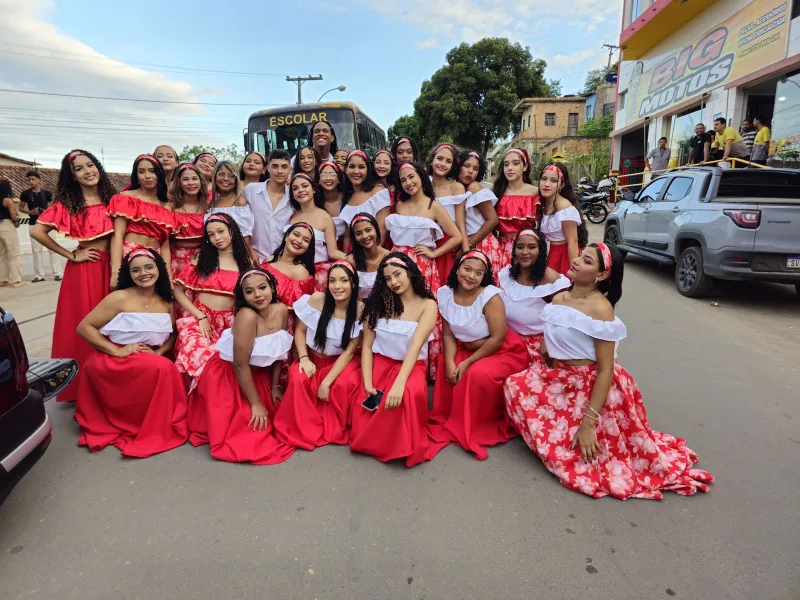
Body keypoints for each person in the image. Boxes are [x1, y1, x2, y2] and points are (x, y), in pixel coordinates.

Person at [503, 243, 714, 500]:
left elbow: (605, 370)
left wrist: (589, 423)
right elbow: (551, 334)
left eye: (587, 261)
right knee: (515, 385)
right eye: (580, 255)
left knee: (580, 455)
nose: (577, 260)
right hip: (562, 377)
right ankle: (552, 436)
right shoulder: (560, 297)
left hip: (592, 384)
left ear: (601, 276)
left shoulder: (600, 309)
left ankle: (576, 434)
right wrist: (547, 351)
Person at [75, 248, 187, 457]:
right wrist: (116, 351)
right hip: (113, 359)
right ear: (129, 274)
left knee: (163, 365)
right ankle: (151, 425)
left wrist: (159, 352)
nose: (143, 273)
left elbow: (172, 335)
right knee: (165, 369)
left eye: (148, 267)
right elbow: (84, 327)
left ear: (159, 269)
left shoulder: (166, 301)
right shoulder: (118, 297)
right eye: (136, 270)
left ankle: (157, 421)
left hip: (147, 358)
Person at [31, 149, 116, 402]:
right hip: (86, 269)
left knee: (114, 324)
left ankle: (111, 385)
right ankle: (82, 388)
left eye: (90, 165)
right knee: (85, 325)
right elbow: (37, 232)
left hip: (114, 266)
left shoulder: (115, 199)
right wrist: (71, 255)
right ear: (73, 176)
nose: (87, 171)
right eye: (79, 168)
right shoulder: (68, 204)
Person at [429, 250, 528, 461]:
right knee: (445, 366)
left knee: (476, 374)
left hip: (502, 350)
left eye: (478, 273)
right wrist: (449, 362)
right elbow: (448, 335)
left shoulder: (489, 296)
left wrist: (467, 362)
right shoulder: (446, 295)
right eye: (467, 269)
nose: (471, 276)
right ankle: (453, 420)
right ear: (457, 269)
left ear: (484, 276)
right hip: (470, 348)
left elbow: (498, 338)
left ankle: (477, 426)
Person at [190, 268, 295, 465]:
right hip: (229, 376)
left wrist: (274, 386)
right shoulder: (247, 316)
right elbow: (239, 364)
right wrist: (255, 404)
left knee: (281, 417)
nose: (257, 295)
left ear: (272, 287)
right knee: (252, 431)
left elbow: (279, 352)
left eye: (262, 287)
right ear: (243, 296)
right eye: (249, 291)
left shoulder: (280, 310)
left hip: (257, 375)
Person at [348, 253, 444, 467]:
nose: (394, 282)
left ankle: (396, 444)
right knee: (366, 398)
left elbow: (415, 346)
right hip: (380, 363)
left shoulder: (427, 305)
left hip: (411, 366)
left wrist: (400, 383)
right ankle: (378, 438)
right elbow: (368, 347)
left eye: (398, 274)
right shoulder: (378, 304)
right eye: (388, 278)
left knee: (408, 394)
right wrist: (367, 381)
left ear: (410, 272)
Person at [273, 262, 363, 450]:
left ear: (353, 283)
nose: (337, 286)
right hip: (311, 357)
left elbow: (349, 352)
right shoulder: (316, 299)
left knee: (346, 383)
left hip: (338, 361)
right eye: (332, 281)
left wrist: (326, 382)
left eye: (344, 280)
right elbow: (300, 331)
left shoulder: (360, 309)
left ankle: (334, 421)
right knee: (297, 377)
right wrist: (304, 358)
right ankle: (302, 426)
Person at [388, 161, 462, 378]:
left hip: (421, 267)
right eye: (403, 180)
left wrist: (434, 253)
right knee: (399, 312)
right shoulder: (399, 205)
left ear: (421, 176)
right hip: (396, 264)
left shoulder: (433, 206)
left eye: (412, 177)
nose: (408, 183)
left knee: (423, 314)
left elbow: (456, 236)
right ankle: (399, 360)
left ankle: (425, 367)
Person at [173, 214, 252, 392]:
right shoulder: (202, 259)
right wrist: (200, 316)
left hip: (228, 326)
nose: (217, 238)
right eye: (211, 234)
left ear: (232, 231)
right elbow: (178, 291)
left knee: (224, 365)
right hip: (198, 320)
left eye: (221, 232)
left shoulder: (245, 264)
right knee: (203, 357)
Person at [497, 229, 571, 362]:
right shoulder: (508, 274)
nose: (525, 252)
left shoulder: (551, 280)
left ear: (541, 250)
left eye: (532, 247)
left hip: (535, 348)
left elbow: (564, 321)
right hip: (506, 339)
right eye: (520, 247)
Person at [108, 154, 177, 284]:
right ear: (136, 175)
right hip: (129, 255)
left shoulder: (167, 207)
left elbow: (165, 246)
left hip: (155, 259)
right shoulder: (125, 198)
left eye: (152, 171)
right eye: (141, 172)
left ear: (159, 174)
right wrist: (115, 271)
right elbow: (117, 236)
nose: (147, 176)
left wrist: (168, 276)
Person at [286, 173, 347, 291]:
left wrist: (356, 259)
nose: (300, 190)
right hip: (292, 272)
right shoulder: (291, 216)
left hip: (317, 274)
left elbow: (333, 252)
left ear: (313, 189)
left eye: (305, 186)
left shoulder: (325, 217)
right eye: (295, 188)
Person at [455, 149, 503, 280]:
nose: (470, 171)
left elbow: (492, 220)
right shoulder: (456, 188)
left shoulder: (474, 188)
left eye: (475, 168)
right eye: (466, 166)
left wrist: (469, 244)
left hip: (482, 243)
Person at [426, 143, 468, 285]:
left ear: (453, 166)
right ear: (432, 159)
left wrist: (466, 252)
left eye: (448, 161)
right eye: (440, 158)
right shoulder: (423, 185)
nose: (442, 164)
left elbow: (460, 222)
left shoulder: (456, 187)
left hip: (449, 245)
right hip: (426, 243)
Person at [493, 148, 540, 266]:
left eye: (515, 163)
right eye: (506, 164)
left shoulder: (535, 193)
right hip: (500, 248)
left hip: (526, 250)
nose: (509, 168)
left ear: (524, 167)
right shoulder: (497, 193)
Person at [539, 162, 588, 275]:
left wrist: (574, 270)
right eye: (544, 179)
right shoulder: (543, 204)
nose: (547, 184)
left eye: (553, 181)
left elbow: (573, 241)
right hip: (553, 254)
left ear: (562, 184)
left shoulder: (564, 207)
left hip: (566, 255)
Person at [245, 149, 293, 260]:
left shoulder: (294, 197)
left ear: (290, 170)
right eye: (275, 166)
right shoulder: (250, 190)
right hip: (254, 258)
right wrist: (250, 253)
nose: (279, 171)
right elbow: (241, 225)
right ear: (268, 169)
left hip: (282, 261)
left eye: (284, 167)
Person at [208, 160, 257, 263]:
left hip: (237, 256)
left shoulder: (240, 203)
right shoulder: (211, 203)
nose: (226, 179)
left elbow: (245, 236)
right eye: (221, 174)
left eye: (231, 176)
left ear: (236, 181)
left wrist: (249, 255)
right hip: (214, 256)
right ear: (215, 177)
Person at [339, 150, 391, 249]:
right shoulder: (347, 197)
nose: (356, 171)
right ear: (346, 169)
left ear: (368, 169)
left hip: (375, 252)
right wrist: (346, 261)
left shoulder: (378, 191)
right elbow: (347, 237)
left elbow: (382, 230)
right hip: (352, 255)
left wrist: (371, 258)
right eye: (352, 167)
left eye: (361, 167)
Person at [260, 223, 316, 311]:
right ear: (286, 236)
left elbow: (301, 311)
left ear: (308, 248)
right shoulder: (270, 260)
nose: (299, 241)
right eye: (296, 235)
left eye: (306, 240)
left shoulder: (301, 273)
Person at [19, 171, 62, 282]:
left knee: (53, 249)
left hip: (47, 224)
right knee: (36, 250)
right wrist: (31, 212)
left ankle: (57, 273)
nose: (30, 182)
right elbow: (20, 208)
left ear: (39, 179)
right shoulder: (25, 194)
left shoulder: (47, 193)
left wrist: (47, 212)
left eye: (33, 179)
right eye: (28, 180)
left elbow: (52, 208)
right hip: (33, 223)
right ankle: (39, 275)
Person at [169, 163, 208, 278]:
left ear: (200, 181)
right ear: (179, 183)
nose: (191, 183)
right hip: (175, 260)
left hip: (202, 259)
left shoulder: (208, 207)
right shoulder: (170, 208)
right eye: (185, 179)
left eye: (195, 178)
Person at [346, 213, 389, 299]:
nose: (364, 236)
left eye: (368, 230)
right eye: (358, 233)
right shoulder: (351, 261)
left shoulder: (387, 256)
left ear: (376, 231)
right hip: (360, 306)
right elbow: (353, 293)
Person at [0, 179, 24, 288]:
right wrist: (17, 217)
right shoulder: (7, 200)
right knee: (14, 253)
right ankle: (16, 280)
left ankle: (3, 280)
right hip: (7, 226)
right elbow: (13, 217)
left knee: (2, 255)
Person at [318, 162, 346, 243]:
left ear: (338, 179)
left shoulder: (347, 199)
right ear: (319, 180)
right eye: (324, 175)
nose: (328, 178)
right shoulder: (314, 202)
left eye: (332, 174)